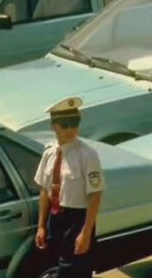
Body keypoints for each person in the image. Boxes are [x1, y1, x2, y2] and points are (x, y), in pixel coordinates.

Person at [34, 97, 104, 278]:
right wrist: (41, 226)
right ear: (53, 126)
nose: (71, 129)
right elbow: (44, 190)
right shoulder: (49, 152)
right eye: (64, 124)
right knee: (62, 267)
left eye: (75, 123)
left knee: (71, 270)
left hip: (78, 219)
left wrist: (86, 232)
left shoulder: (87, 155)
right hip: (56, 217)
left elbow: (95, 195)